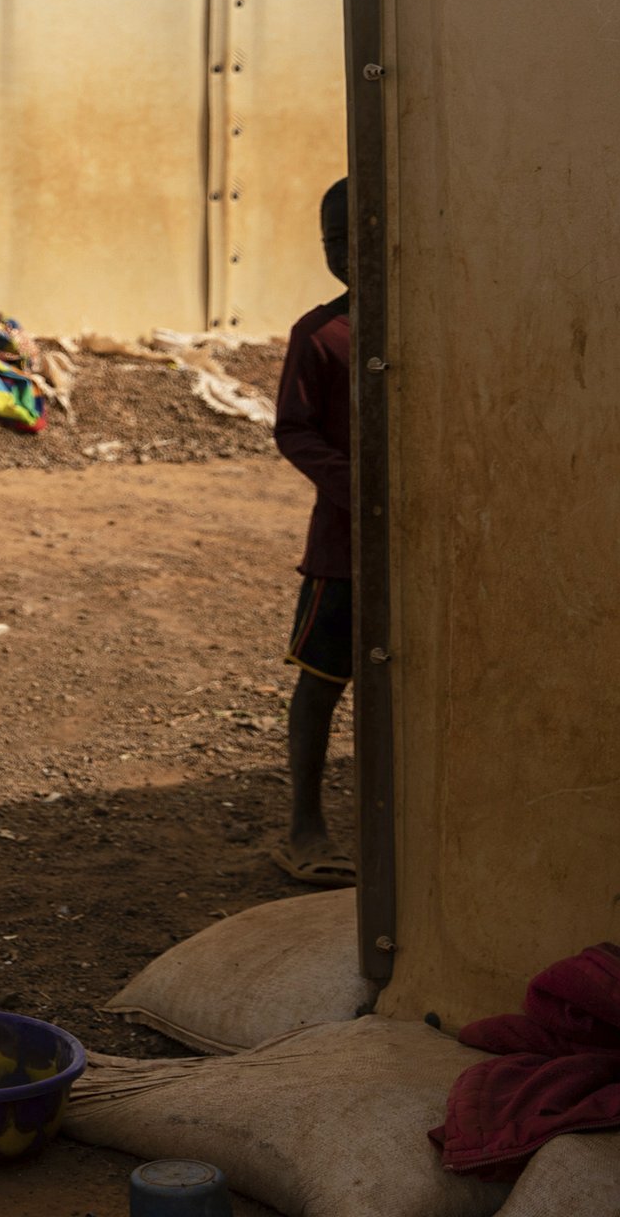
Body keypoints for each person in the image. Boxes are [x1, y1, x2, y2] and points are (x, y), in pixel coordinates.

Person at [273, 177, 356, 885]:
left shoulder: (434, 323)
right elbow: (293, 430)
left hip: (424, 547)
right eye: (334, 240)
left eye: (359, 235)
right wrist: (356, 487)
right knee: (321, 683)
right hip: (346, 549)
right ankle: (305, 826)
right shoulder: (321, 335)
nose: (347, 252)